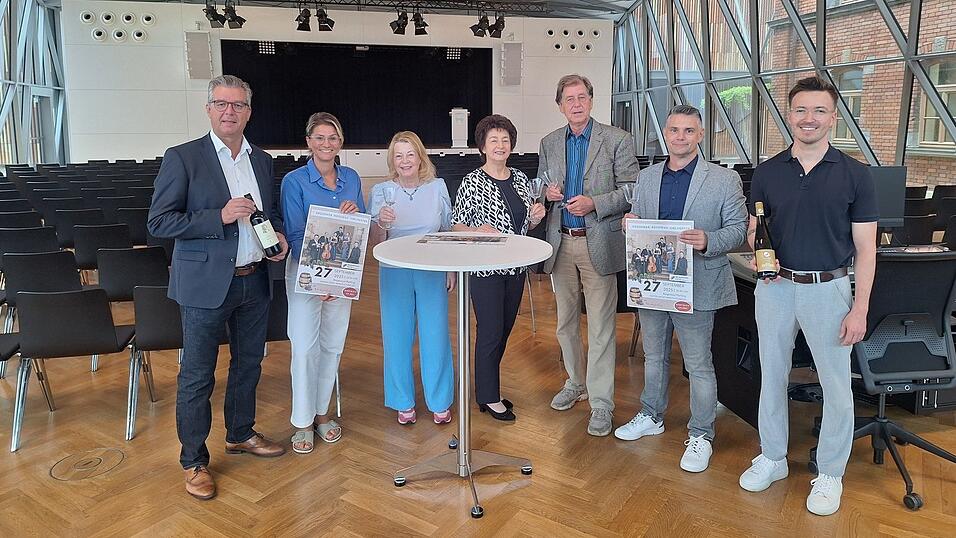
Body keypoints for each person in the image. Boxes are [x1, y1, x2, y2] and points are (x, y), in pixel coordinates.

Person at [737, 76, 877, 516]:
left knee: (837, 386)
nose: (809, 118)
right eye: (801, 110)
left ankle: (831, 472)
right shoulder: (767, 172)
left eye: (819, 110)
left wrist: (859, 308)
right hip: (775, 288)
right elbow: (754, 229)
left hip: (829, 289)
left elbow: (866, 249)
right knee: (772, 376)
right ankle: (774, 457)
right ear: (789, 115)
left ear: (833, 117)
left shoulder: (856, 174)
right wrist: (756, 241)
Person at [147, 75, 289, 501]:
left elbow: (272, 214)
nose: (230, 111)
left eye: (238, 105)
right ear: (208, 108)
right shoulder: (183, 157)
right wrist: (219, 215)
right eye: (221, 103)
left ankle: (240, 433)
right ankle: (194, 461)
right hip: (206, 286)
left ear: (249, 111)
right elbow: (158, 222)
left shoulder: (261, 160)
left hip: (254, 280)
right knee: (196, 376)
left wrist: (278, 241)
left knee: (249, 367)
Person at [613, 104, 748, 473]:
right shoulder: (647, 177)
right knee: (653, 356)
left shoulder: (722, 179)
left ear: (700, 135)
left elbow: (739, 230)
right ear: (666, 134)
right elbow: (639, 222)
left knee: (699, 364)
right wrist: (630, 223)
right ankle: (651, 415)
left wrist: (708, 240)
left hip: (699, 282)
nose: (681, 137)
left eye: (689, 131)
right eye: (674, 130)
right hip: (653, 282)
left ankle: (701, 434)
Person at [539, 74, 639, 436]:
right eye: (569, 99)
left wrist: (595, 202)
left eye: (582, 97)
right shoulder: (549, 142)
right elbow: (540, 187)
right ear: (560, 105)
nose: (576, 104)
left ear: (591, 101)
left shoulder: (617, 140)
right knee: (565, 324)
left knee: (601, 327)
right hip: (560, 243)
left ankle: (601, 403)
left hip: (598, 243)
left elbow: (632, 190)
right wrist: (546, 194)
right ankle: (575, 383)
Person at [281, 112, 366, 455]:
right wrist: (322, 281)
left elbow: (359, 227)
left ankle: (321, 414)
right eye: (319, 138)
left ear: (340, 143)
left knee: (332, 345)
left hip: (343, 275)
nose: (326, 144)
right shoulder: (294, 181)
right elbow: (297, 233)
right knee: (304, 348)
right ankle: (301, 421)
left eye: (332, 138)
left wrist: (353, 215)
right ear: (309, 142)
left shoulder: (351, 178)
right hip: (306, 275)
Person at [452, 114, 546, 421]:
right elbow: (457, 226)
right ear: (482, 145)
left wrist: (535, 217)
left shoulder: (520, 178)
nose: (500, 145)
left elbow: (523, 225)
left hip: (515, 268)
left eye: (505, 140)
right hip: (485, 270)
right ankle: (489, 396)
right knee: (491, 331)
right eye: (494, 140)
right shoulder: (472, 181)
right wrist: (478, 231)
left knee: (504, 330)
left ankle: (487, 389)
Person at [368, 131, 456, 425]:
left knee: (436, 335)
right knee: (397, 336)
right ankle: (402, 400)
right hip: (394, 270)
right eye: (398, 155)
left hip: (432, 268)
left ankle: (440, 400)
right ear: (392, 159)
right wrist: (381, 222)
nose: (405, 161)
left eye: (410, 154)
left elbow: (446, 231)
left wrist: (451, 268)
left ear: (420, 157)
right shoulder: (381, 191)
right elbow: (375, 240)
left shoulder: (438, 187)